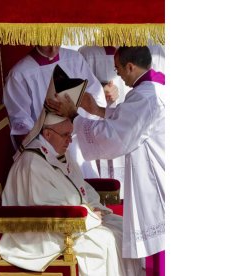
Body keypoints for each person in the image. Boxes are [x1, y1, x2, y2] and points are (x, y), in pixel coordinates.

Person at [0, 67, 144, 275]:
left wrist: (94, 208)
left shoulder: (59, 151)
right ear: (47, 134)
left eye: (71, 135)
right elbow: (46, 207)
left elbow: (80, 186)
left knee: (125, 230)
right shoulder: (32, 163)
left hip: (79, 220)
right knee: (107, 243)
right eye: (65, 135)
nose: (70, 141)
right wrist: (88, 216)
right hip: (44, 237)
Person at [47, 46, 165, 260]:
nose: (116, 73)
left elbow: (116, 137)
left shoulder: (146, 96)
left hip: (155, 182)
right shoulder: (153, 86)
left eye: (118, 68)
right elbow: (125, 118)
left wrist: (74, 116)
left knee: (161, 252)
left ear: (130, 66)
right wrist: (97, 110)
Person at [3, 45, 111, 178]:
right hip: (47, 153)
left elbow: (96, 96)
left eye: (56, 40)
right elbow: (20, 123)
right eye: (46, 41)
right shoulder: (19, 74)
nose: (53, 48)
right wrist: (50, 138)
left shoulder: (75, 59)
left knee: (86, 192)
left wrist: (77, 118)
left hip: (78, 146)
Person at [78, 46, 131, 198]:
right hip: (100, 126)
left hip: (129, 127)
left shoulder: (141, 50)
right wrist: (101, 91)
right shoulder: (87, 53)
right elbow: (80, 88)